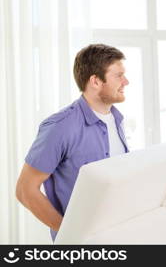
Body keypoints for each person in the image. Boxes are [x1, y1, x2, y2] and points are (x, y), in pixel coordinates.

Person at [16, 44, 130, 241]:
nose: (126, 82)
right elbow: (25, 190)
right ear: (95, 81)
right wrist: (71, 235)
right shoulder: (60, 126)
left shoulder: (116, 120)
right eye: (118, 75)